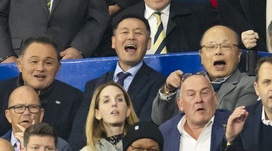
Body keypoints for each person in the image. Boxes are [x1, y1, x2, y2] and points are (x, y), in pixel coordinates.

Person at [68, 14, 165, 150]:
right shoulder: (93, 85)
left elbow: (146, 129)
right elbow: (79, 133)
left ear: (148, 43)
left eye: (138, 33)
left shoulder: (158, 82)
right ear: (113, 42)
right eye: (124, 32)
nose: (131, 37)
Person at [0, 36, 83, 144]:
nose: (40, 68)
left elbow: (77, 145)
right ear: (19, 64)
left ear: (58, 68)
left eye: (48, 63)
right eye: (34, 61)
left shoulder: (73, 98)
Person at [150, 25, 256, 126]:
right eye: (211, 46)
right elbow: (160, 120)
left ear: (238, 55)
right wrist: (169, 89)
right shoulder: (190, 82)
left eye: (226, 46)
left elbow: (238, 124)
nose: (218, 52)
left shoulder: (249, 85)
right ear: (201, 55)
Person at [158, 74, 231, 151]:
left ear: (215, 98)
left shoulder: (232, 124)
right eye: (191, 94)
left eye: (204, 93)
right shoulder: (165, 132)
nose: (199, 99)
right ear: (181, 104)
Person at [2, 86, 71, 151]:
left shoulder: (61, 147)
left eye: (33, 107)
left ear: (41, 114)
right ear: (8, 115)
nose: (26, 113)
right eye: (19, 107)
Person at [81, 82, 138, 151]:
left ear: (128, 110)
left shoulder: (144, 146)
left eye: (119, 99)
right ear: (97, 113)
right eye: (106, 101)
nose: (114, 103)